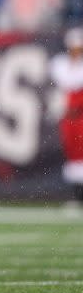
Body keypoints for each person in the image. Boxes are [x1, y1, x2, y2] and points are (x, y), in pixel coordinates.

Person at [50, 28, 83, 206]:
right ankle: (76, 196)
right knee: (72, 154)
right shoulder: (61, 64)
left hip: (81, 117)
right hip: (68, 117)